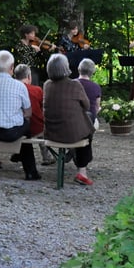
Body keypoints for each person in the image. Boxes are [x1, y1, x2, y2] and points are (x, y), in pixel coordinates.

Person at [0, 50, 38, 180]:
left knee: (23, 126)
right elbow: (28, 112)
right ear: (12, 67)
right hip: (12, 133)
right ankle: (30, 170)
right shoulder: (19, 86)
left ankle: (19, 158)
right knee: (26, 127)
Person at [43, 53, 96, 185]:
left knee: (84, 123)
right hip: (71, 135)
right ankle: (82, 171)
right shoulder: (75, 85)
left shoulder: (47, 85)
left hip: (51, 133)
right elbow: (87, 105)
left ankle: (73, 153)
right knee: (88, 125)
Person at [14, 63, 49, 164]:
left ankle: (17, 153)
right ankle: (46, 156)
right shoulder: (37, 90)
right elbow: (42, 107)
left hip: (19, 128)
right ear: (29, 76)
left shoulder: (13, 90)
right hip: (37, 127)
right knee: (41, 129)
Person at [76, 57, 102, 123]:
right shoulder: (96, 87)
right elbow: (97, 108)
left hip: (73, 120)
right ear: (92, 71)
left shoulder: (70, 84)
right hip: (89, 122)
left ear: (79, 69)